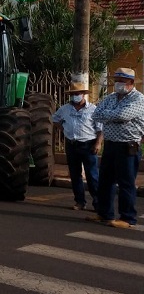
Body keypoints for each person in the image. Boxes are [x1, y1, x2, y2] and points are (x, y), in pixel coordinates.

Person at [88, 67, 144, 228]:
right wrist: (115, 115)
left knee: (126, 182)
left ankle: (127, 218)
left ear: (131, 83)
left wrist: (112, 115)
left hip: (128, 146)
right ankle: (104, 213)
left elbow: (123, 115)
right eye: (117, 80)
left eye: (122, 81)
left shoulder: (138, 99)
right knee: (105, 181)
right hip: (111, 144)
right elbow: (96, 114)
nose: (118, 84)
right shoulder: (111, 97)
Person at [51, 82, 102, 211]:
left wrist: (98, 143)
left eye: (78, 94)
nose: (75, 96)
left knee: (92, 175)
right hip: (72, 144)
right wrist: (64, 129)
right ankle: (80, 201)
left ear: (84, 94)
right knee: (75, 175)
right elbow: (55, 119)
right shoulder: (65, 109)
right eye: (73, 94)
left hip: (88, 145)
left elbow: (100, 129)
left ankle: (98, 203)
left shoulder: (93, 109)